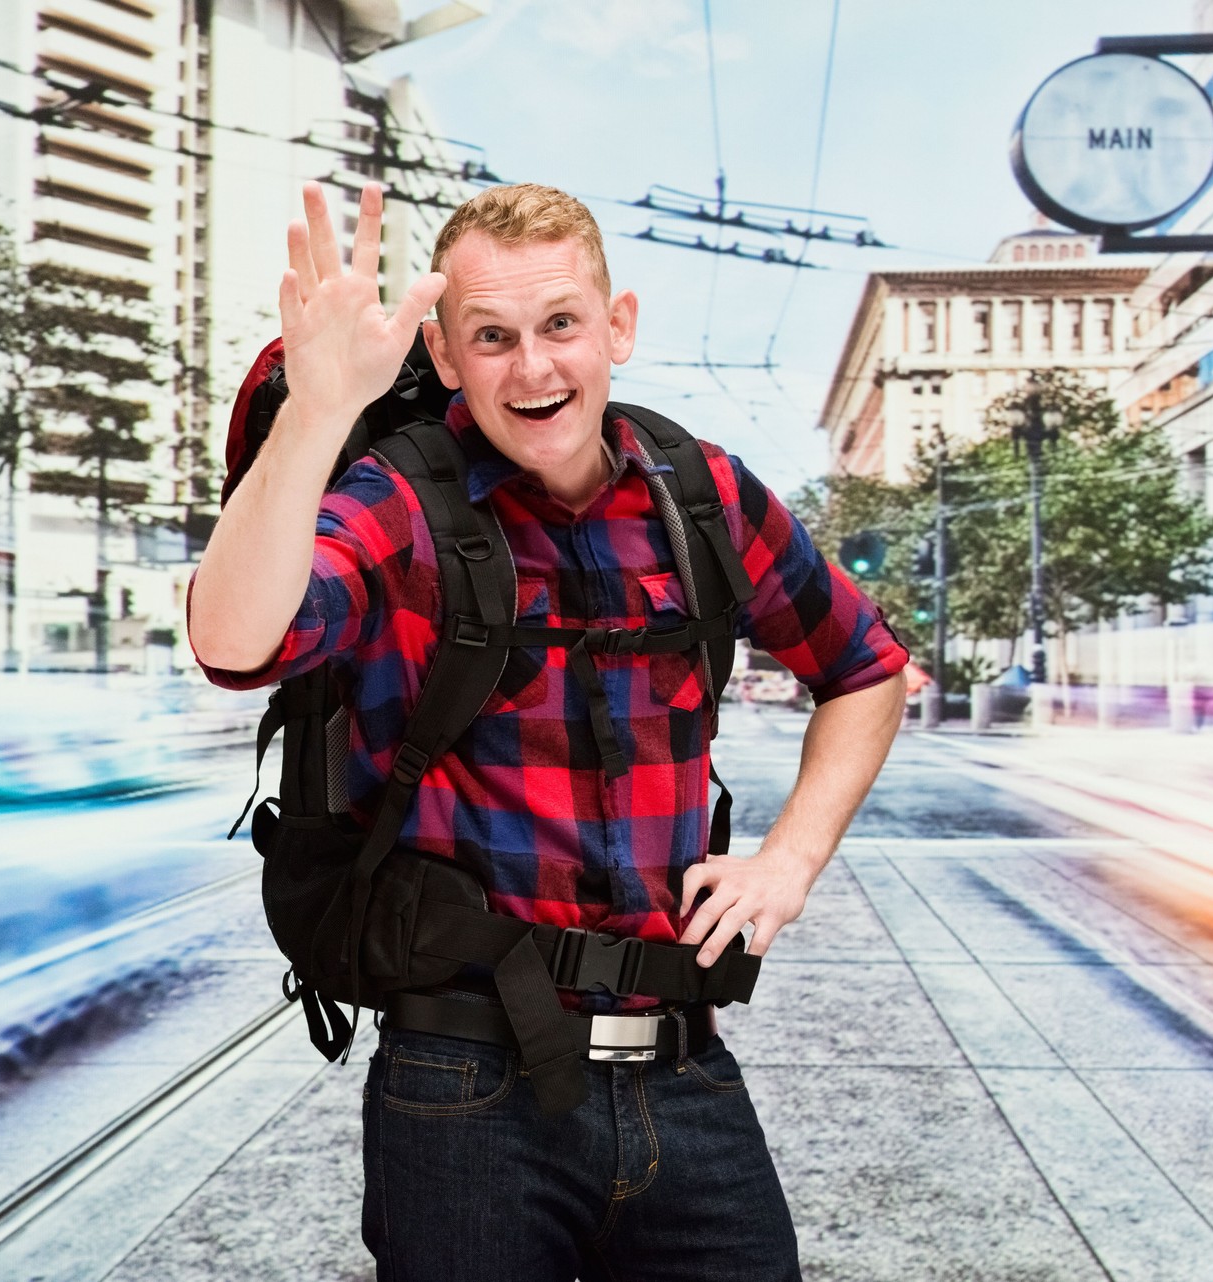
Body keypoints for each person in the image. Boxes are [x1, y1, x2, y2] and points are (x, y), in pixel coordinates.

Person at [187, 178, 908, 1281]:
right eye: (492, 336)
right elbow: (238, 643)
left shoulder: (702, 493)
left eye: (560, 324)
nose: (532, 368)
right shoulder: (399, 500)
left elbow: (865, 666)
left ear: (615, 326)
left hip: (685, 1073)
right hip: (464, 1090)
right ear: (447, 348)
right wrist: (319, 411)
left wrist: (791, 861)